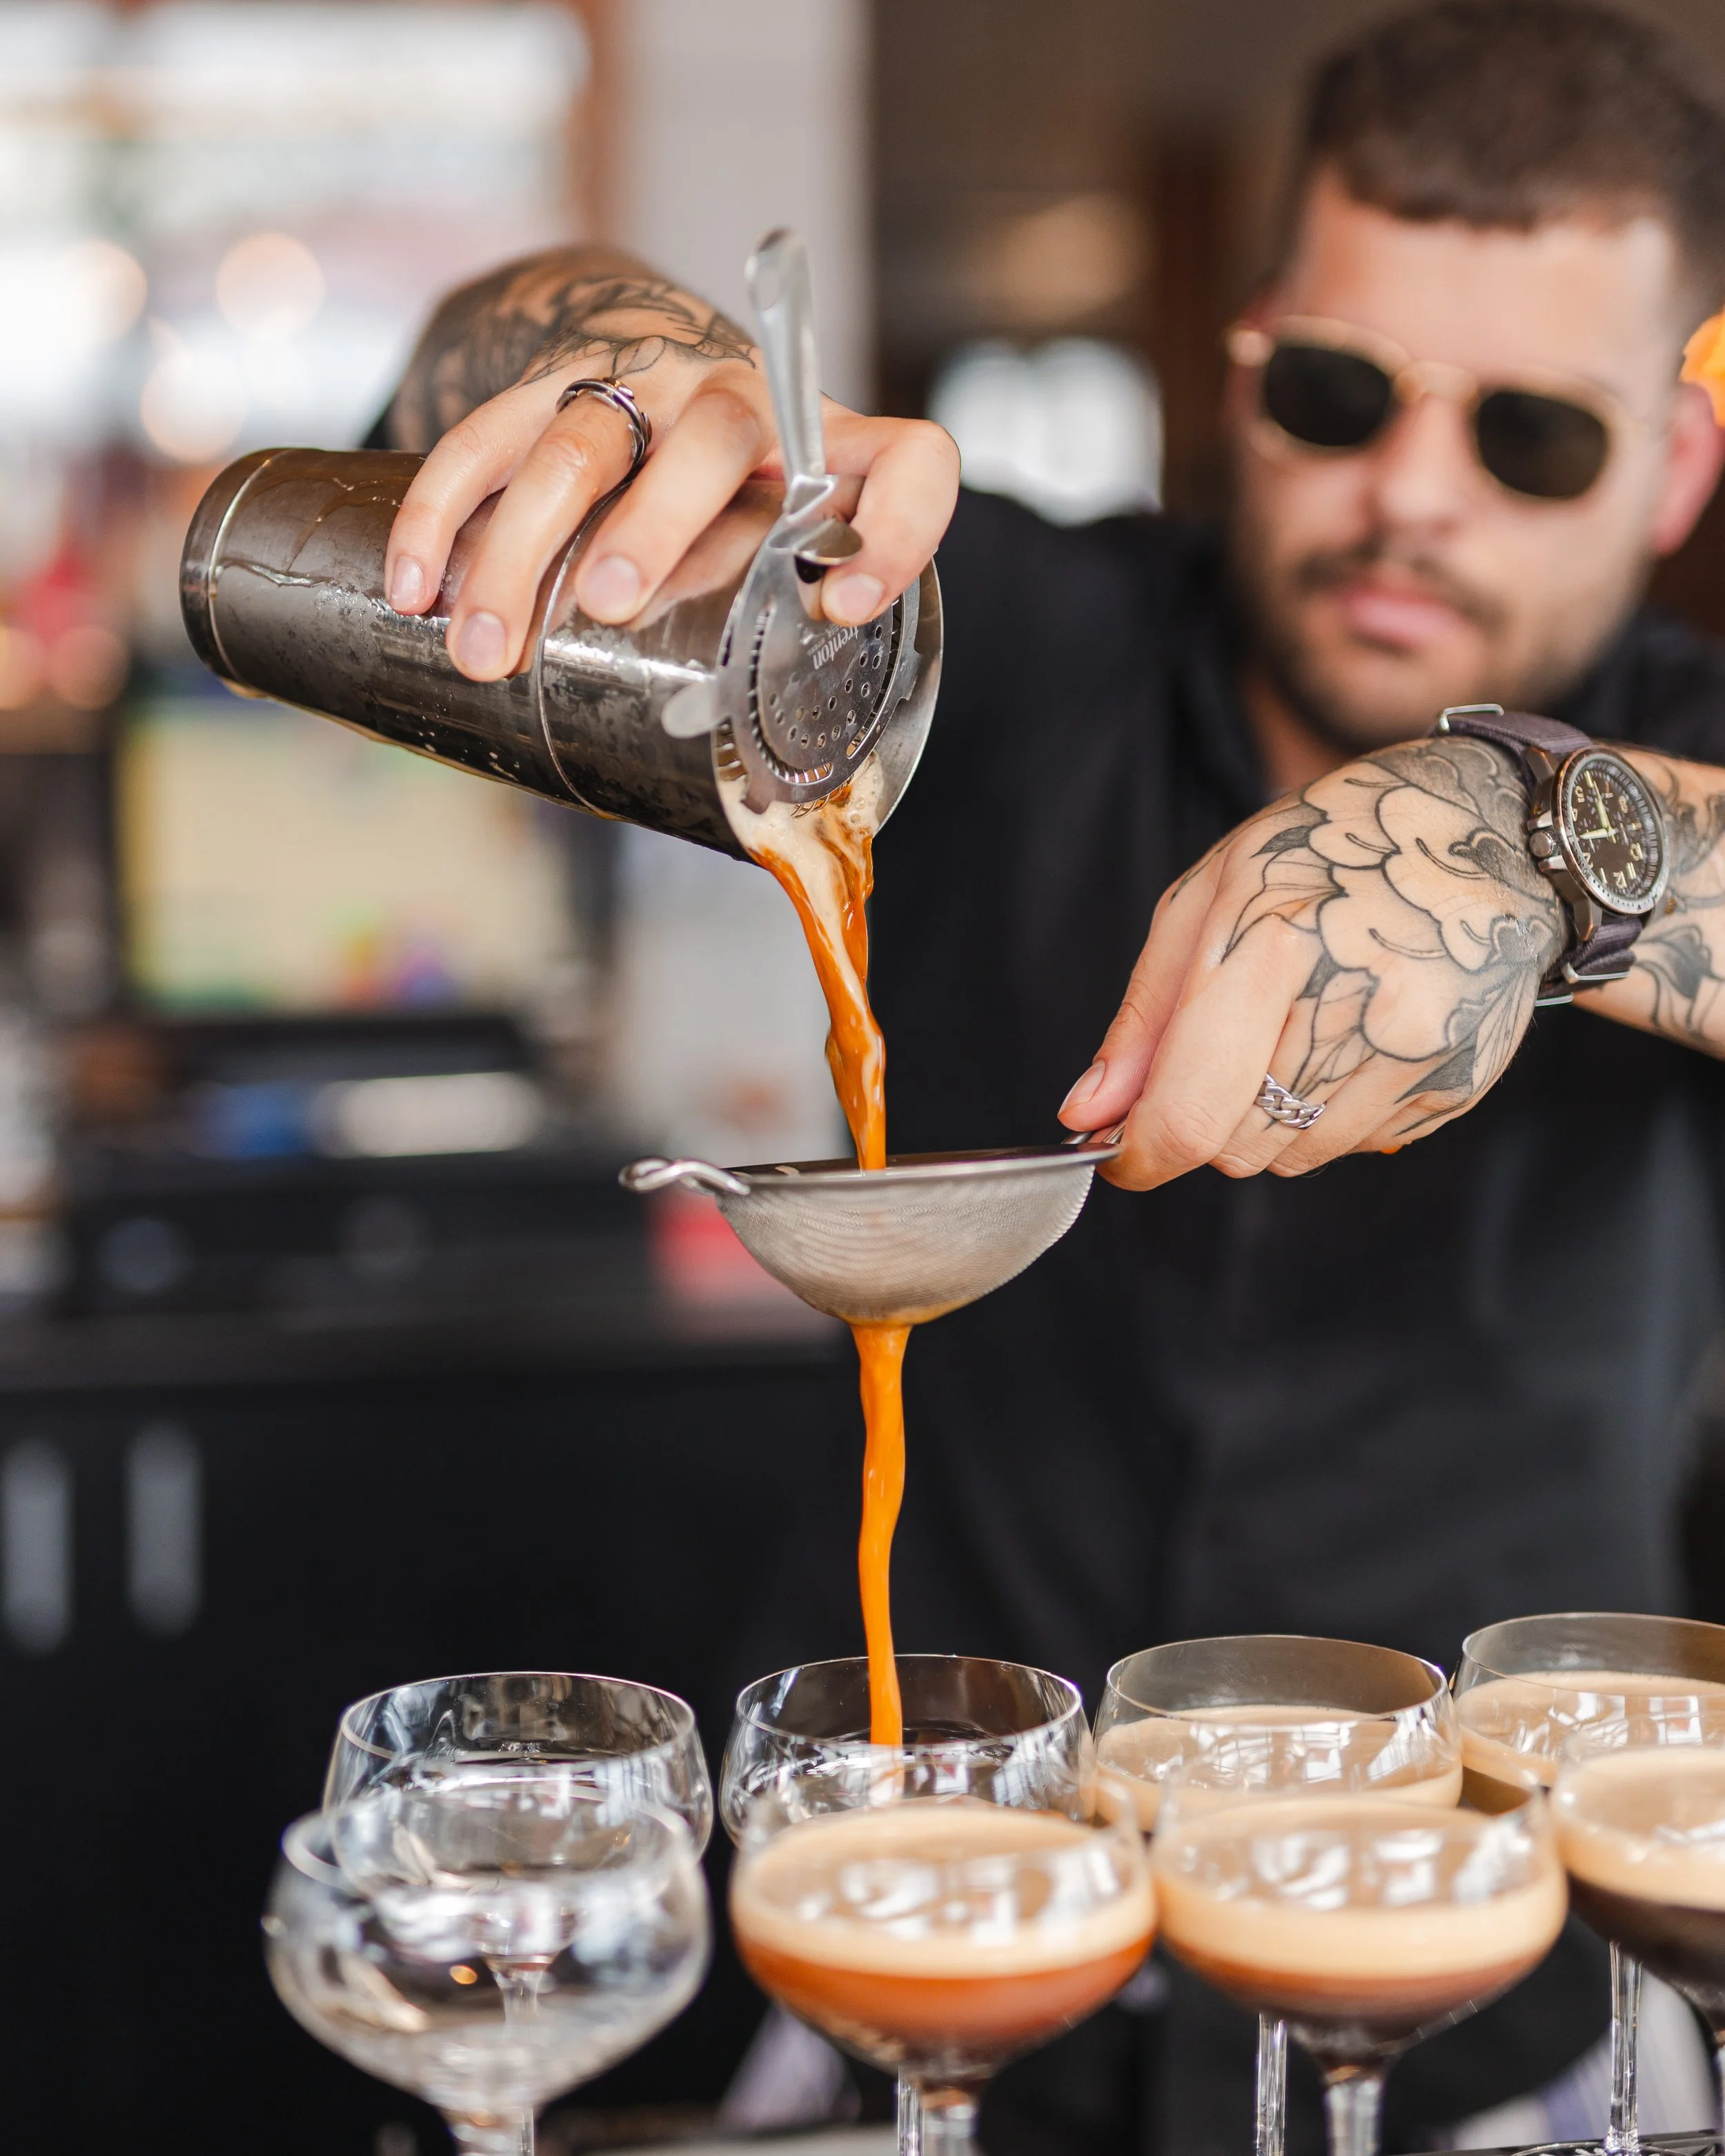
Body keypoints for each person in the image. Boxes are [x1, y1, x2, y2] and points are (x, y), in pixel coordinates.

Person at [365, 3, 1725, 2148]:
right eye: (1342, 394)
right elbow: (441, 382)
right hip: (901, 1935)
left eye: (1530, 441)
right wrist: (642, 370)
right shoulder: (1000, 629)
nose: (1407, 497)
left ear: (1673, 467)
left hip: (1470, 2022)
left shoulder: (1680, 772)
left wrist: (1543, 840)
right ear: (1247, 358)